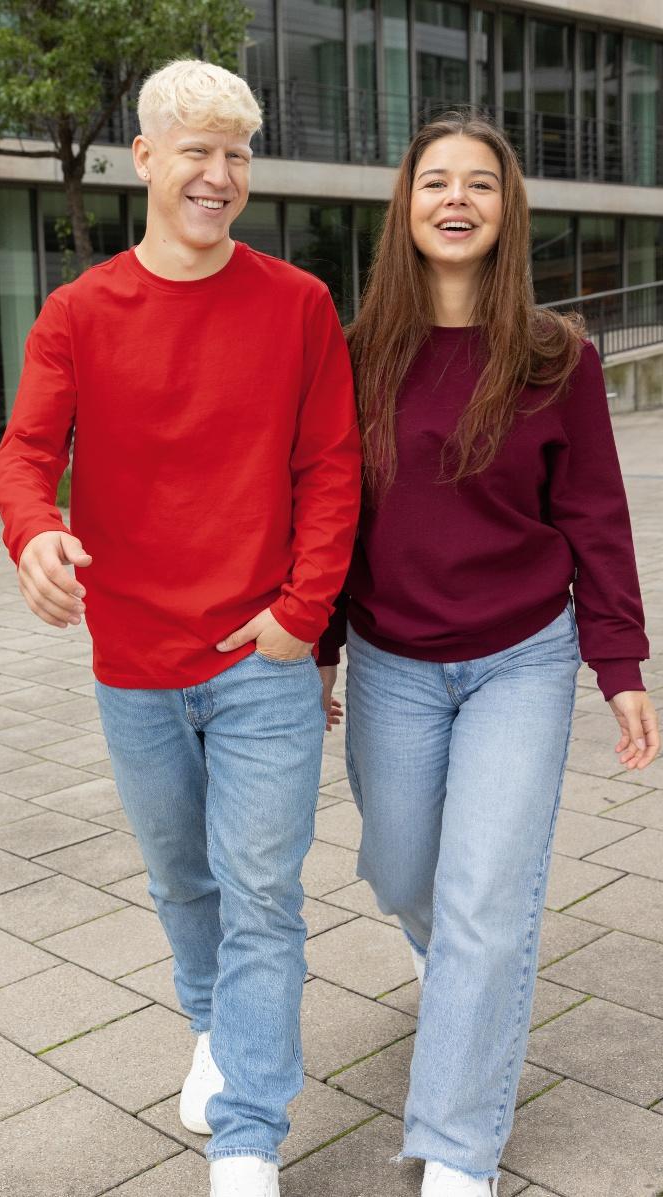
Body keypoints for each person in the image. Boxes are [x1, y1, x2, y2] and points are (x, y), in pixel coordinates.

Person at [0, 58, 361, 1197]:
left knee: (262, 892)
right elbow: (23, 455)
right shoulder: (79, 311)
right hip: (135, 665)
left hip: (263, 656)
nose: (219, 175)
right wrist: (33, 534)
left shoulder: (298, 303)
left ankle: (247, 1137)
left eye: (237, 155)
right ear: (144, 158)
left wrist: (301, 617)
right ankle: (214, 1023)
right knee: (181, 881)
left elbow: (331, 468)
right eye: (197, 151)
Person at [317, 112, 659, 1197]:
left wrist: (620, 665)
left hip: (521, 656)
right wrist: (319, 647)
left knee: (484, 903)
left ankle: (457, 1148)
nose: (456, 199)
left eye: (479, 182)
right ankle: (457, 968)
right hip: (391, 658)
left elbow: (595, 514)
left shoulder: (559, 357)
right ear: (406, 205)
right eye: (435, 182)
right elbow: (325, 514)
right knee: (402, 869)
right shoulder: (353, 354)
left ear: (507, 209)